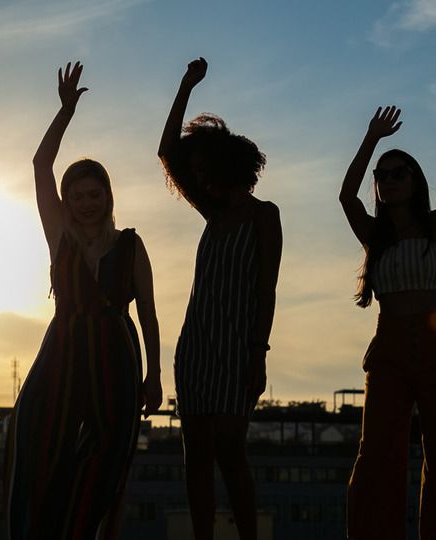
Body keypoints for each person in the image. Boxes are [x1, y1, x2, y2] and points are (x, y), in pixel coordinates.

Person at [4, 61, 162, 540]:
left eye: (95, 194)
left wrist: (154, 376)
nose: (87, 203)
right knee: (37, 445)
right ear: (67, 202)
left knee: (106, 459)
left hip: (114, 358)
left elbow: (150, 316)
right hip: (62, 353)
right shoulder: (60, 239)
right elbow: (39, 165)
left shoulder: (131, 245)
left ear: (108, 197)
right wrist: (66, 110)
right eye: (78, 196)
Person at [340, 106, 436, 539]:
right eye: (383, 175)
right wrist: (371, 138)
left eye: (399, 172)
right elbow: (346, 197)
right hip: (388, 347)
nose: (389, 179)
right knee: (376, 457)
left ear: (415, 181)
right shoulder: (374, 234)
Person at [157, 57, 282, 540]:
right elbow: (166, 149)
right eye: (197, 169)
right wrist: (185, 85)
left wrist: (258, 352)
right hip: (196, 347)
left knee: (231, 448)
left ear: (232, 167)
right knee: (197, 455)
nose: (200, 176)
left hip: (238, 348)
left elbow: (266, 289)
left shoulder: (264, 216)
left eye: (207, 168)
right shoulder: (209, 211)